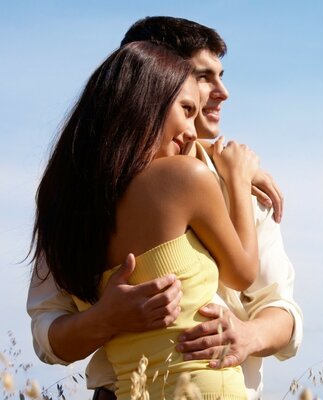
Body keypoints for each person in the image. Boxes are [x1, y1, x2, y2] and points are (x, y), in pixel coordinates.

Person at [27, 17, 302, 400]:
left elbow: (280, 306)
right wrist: (103, 319)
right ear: (151, 83)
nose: (222, 92)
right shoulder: (75, 195)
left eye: (221, 75)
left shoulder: (240, 187)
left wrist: (248, 335)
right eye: (203, 77)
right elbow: (47, 331)